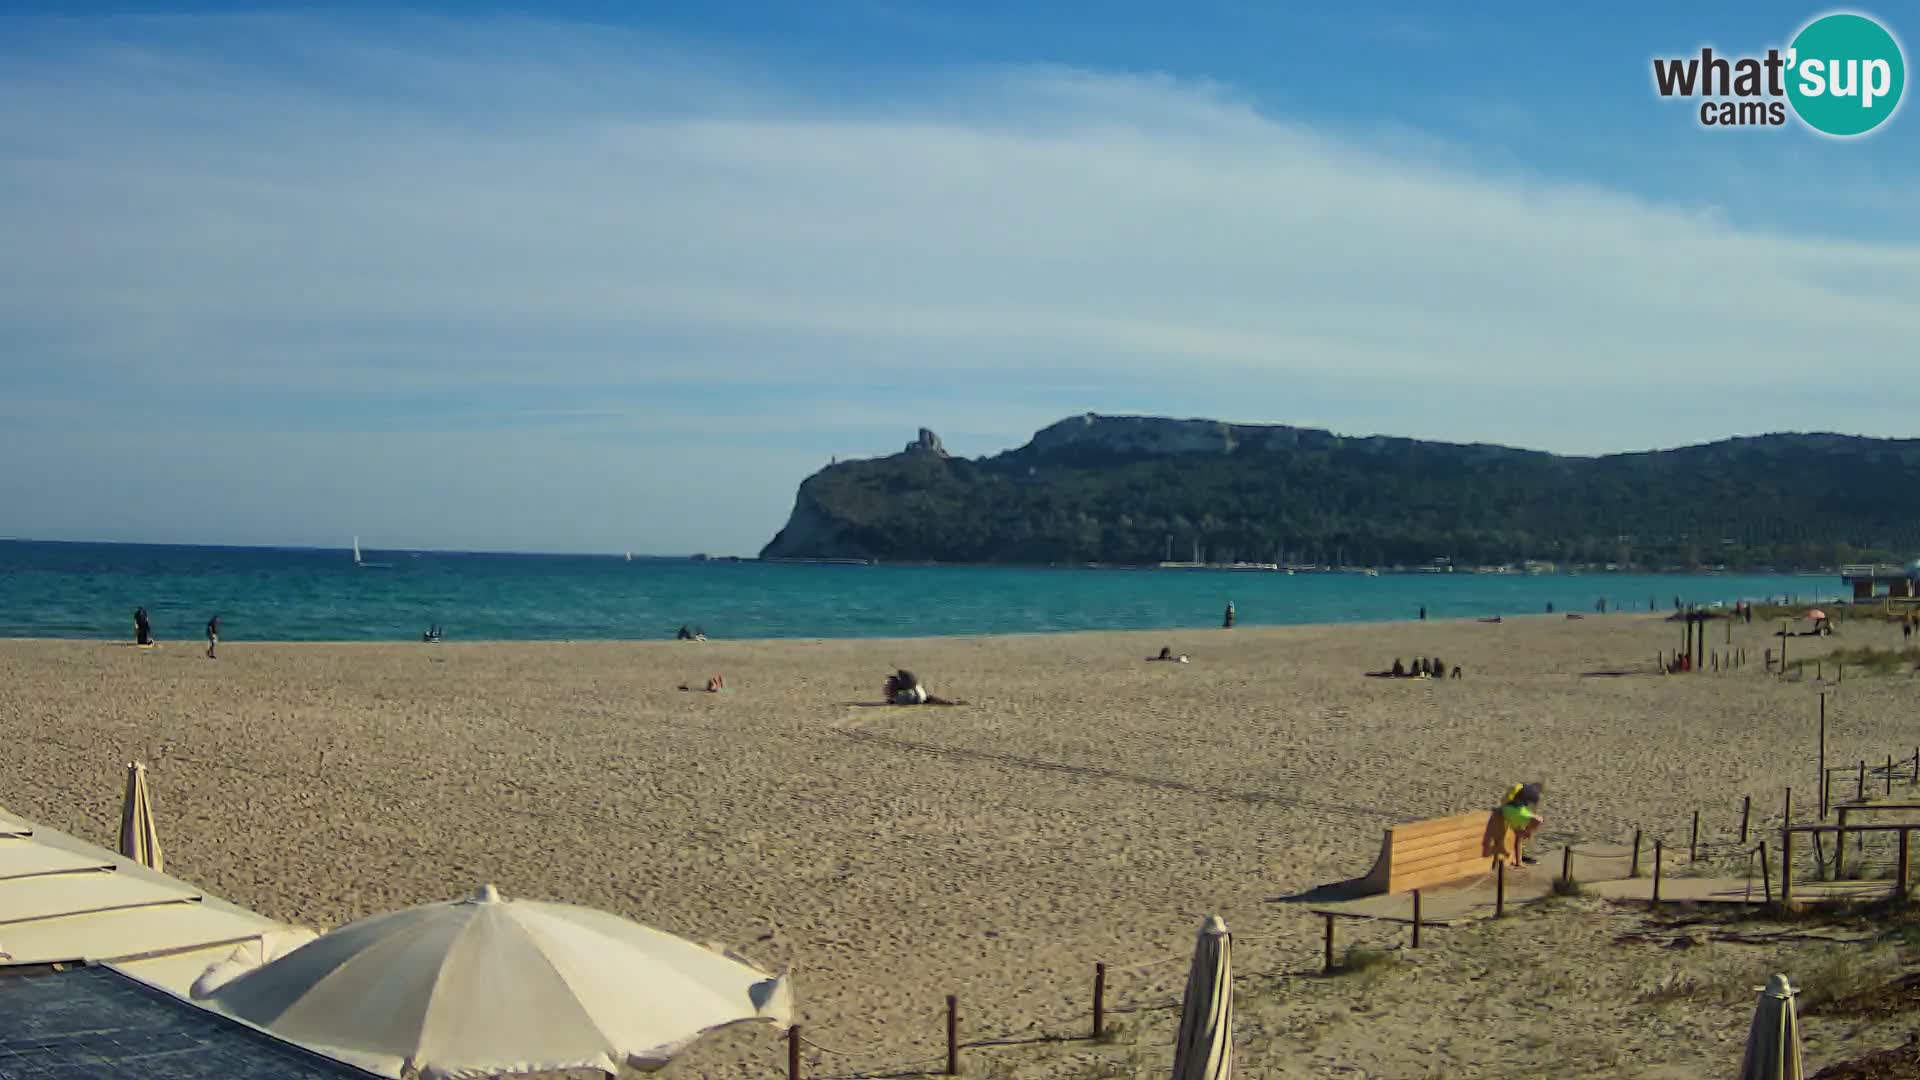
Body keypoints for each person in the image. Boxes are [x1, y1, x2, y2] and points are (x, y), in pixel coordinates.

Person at [1500, 782, 1543, 865]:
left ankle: (1519, 860)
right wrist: (1528, 830)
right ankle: (1519, 861)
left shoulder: (1521, 787)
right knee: (1521, 835)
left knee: (1521, 836)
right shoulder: (1534, 795)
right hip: (1512, 809)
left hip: (1517, 809)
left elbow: (1504, 799)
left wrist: (1529, 828)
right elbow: (1534, 812)